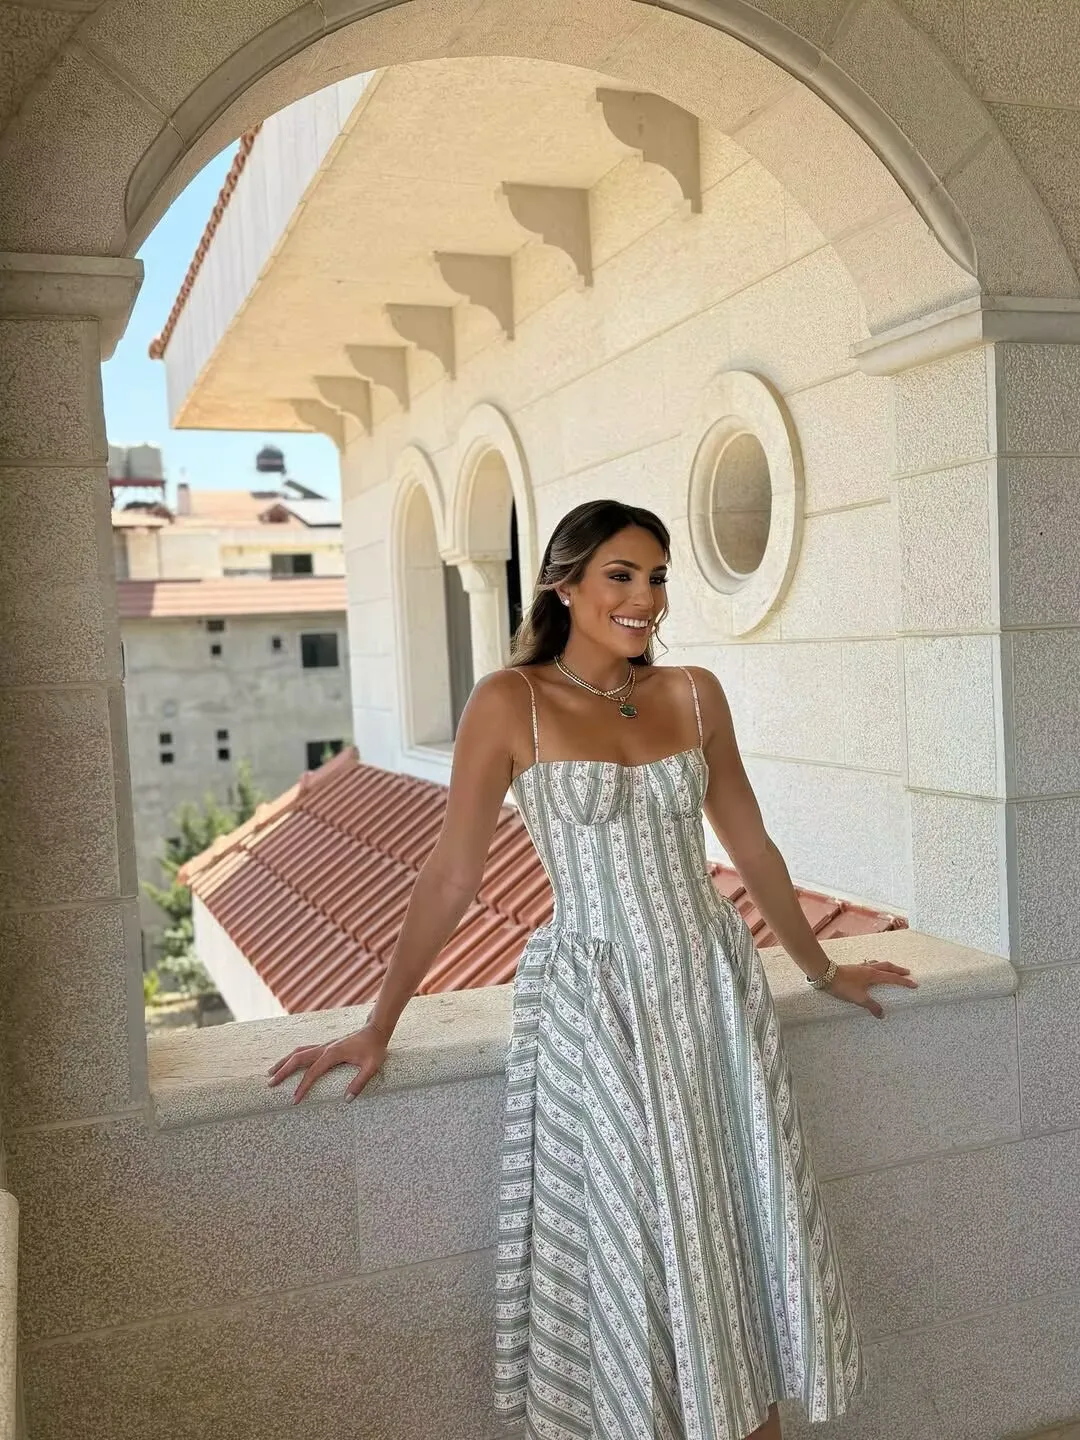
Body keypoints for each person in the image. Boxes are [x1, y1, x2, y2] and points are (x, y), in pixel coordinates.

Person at [269, 498, 917, 1440]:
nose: (644, 597)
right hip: (595, 1004)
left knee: (728, 1230)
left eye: (657, 578)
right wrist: (378, 1024)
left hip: (710, 990)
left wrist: (822, 972)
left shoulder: (694, 694)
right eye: (621, 576)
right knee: (638, 1240)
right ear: (563, 584)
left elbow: (752, 848)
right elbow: (451, 877)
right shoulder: (510, 702)